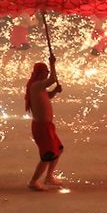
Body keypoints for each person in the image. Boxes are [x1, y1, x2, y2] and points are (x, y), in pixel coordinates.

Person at [25, 54, 64, 191]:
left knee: (58, 150)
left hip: (48, 126)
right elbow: (52, 79)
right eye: (46, 72)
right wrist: (52, 63)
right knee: (47, 155)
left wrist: (54, 92)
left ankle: (49, 176)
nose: (47, 74)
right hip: (41, 127)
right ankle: (33, 181)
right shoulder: (36, 85)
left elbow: (47, 96)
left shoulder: (40, 88)